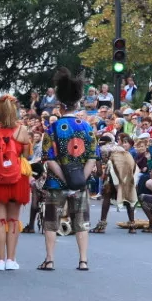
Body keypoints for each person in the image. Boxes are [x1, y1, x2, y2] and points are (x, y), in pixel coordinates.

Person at [0, 93, 35, 270]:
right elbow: (27, 155)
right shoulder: (22, 130)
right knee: (13, 219)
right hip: (17, 177)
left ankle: (0, 260)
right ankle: (11, 259)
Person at [39, 113, 95, 271]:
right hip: (80, 182)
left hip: (55, 183)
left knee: (51, 222)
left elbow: (49, 159)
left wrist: (64, 179)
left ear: (62, 106)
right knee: (81, 222)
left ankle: (49, 260)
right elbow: (92, 157)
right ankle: (83, 261)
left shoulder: (51, 128)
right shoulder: (87, 126)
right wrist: (78, 181)